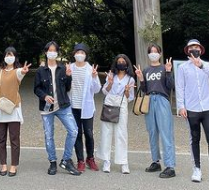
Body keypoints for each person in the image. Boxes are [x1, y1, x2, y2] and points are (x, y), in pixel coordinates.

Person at [175, 39, 209, 186]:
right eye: (191, 48)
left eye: (196, 47)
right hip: (191, 109)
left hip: (208, 107)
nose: (193, 50)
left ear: (200, 50)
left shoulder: (207, 65)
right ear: (187, 51)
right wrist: (181, 106)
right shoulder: (183, 68)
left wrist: (200, 65)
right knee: (194, 139)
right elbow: (180, 87)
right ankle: (196, 168)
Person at [33, 41, 81, 176]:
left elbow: (67, 88)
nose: (52, 52)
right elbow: (36, 89)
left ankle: (66, 160)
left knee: (73, 130)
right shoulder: (41, 71)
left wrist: (69, 76)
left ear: (57, 53)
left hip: (63, 105)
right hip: (47, 108)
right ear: (46, 52)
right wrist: (44, 96)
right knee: (49, 136)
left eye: (54, 50)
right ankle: (52, 162)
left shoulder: (62, 68)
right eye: (50, 50)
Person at [134, 43, 176, 179]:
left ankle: (170, 166)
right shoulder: (145, 70)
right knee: (152, 132)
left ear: (160, 53)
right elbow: (145, 89)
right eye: (151, 51)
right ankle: (155, 161)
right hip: (149, 100)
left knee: (166, 132)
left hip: (162, 100)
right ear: (148, 54)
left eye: (155, 51)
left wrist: (169, 71)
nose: (153, 53)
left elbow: (171, 86)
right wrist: (141, 78)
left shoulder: (165, 68)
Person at [0, 47, 31, 177]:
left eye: (11, 55)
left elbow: (21, 73)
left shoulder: (17, 72)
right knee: (1, 139)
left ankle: (13, 165)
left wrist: (24, 71)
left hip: (13, 109)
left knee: (14, 139)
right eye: (7, 55)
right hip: (0, 109)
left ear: (15, 57)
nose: (9, 57)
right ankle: (3, 164)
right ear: (4, 57)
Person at [97, 54, 135, 174]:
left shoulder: (130, 79)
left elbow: (130, 98)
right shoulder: (111, 75)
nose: (121, 63)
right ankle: (106, 161)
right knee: (106, 133)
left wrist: (127, 91)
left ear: (127, 63)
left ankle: (123, 162)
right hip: (109, 103)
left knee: (121, 134)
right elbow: (104, 91)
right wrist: (110, 83)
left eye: (123, 61)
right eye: (119, 61)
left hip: (122, 104)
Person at [69, 43, 101, 172]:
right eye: (78, 52)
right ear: (74, 54)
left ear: (86, 55)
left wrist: (94, 77)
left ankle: (90, 158)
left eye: (82, 53)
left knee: (88, 134)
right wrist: (66, 76)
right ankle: (80, 160)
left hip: (86, 106)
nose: (80, 55)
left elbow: (97, 89)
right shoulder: (70, 68)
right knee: (76, 134)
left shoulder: (90, 69)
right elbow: (65, 87)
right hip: (73, 106)